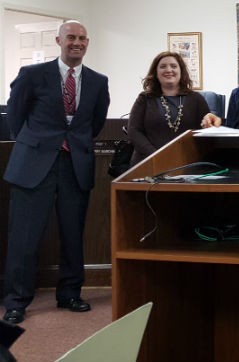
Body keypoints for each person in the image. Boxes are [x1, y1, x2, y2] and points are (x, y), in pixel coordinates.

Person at [2, 20, 110, 325]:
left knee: (73, 234)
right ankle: (16, 301)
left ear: (87, 43)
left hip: (75, 163)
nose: (77, 43)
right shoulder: (33, 74)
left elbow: (95, 122)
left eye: (82, 39)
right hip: (33, 164)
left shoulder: (98, 81)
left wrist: (73, 144)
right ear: (58, 40)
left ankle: (70, 294)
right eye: (71, 38)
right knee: (24, 237)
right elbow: (16, 114)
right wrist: (36, 143)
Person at [127, 52, 221, 164]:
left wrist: (211, 125)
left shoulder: (196, 99)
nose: (168, 70)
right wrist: (156, 156)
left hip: (186, 164)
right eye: (163, 66)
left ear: (181, 71)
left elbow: (206, 133)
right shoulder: (145, 98)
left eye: (174, 66)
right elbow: (134, 131)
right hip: (149, 162)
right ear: (156, 73)